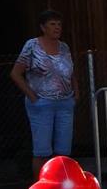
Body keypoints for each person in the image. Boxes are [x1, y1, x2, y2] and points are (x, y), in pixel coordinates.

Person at [11, 11, 77, 171]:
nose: (57, 27)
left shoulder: (64, 46)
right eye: (52, 24)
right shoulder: (32, 46)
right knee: (42, 150)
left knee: (64, 150)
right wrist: (33, 97)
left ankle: (61, 187)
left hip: (64, 102)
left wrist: (77, 92)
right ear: (43, 27)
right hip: (42, 102)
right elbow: (15, 73)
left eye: (59, 24)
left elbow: (70, 70)